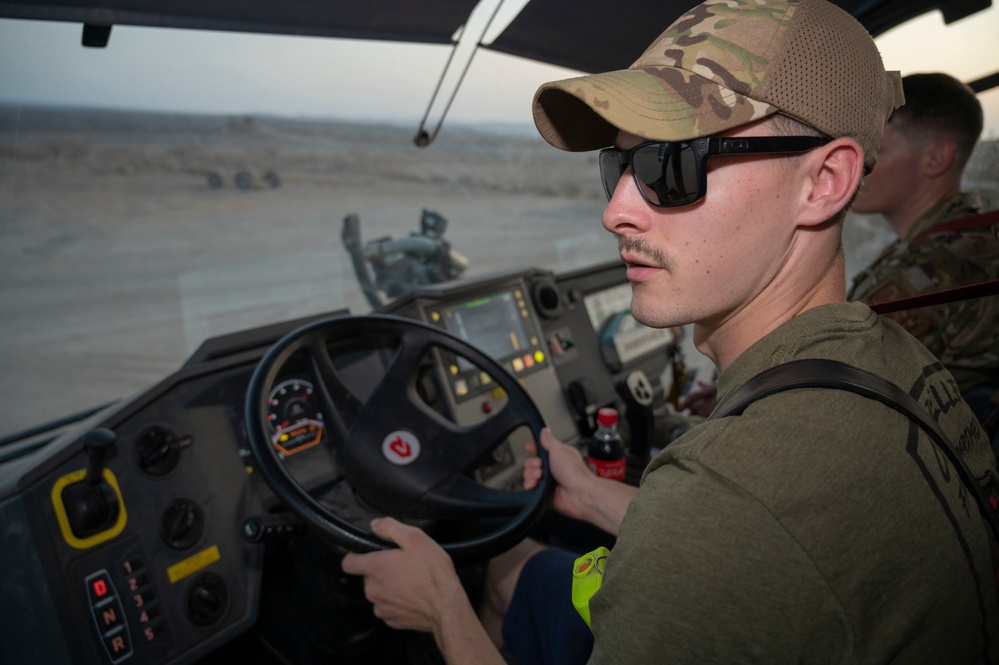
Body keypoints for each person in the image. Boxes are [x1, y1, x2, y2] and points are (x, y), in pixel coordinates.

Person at [341, 1, 999, 663]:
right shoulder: (889, 358)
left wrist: (440, 606)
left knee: (507, 574)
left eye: (670, 165)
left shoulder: (726, 494)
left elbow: (738, 523)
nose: (615, 211)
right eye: (618, 166)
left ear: (824, 182)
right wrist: (599, 496)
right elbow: (800, 549)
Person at [847, 72, 999, 421]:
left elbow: (842, 393)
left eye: (876, 149)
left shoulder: (933, 270)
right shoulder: (973, 243)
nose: (858, 165)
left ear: (936, 159)